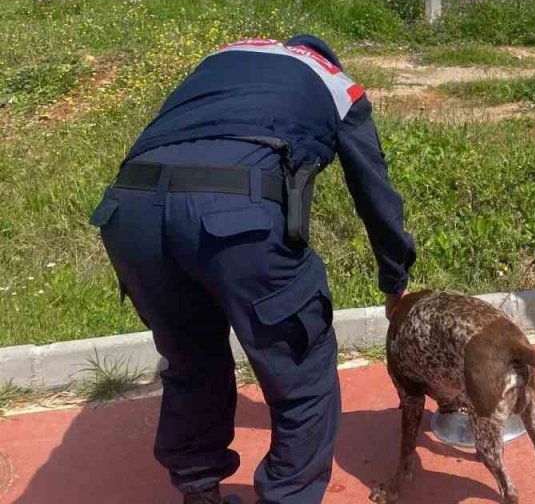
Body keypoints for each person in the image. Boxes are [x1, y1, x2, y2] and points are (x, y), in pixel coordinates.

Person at [90, 35, 416, 504]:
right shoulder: (336, 83)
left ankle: (199, 492)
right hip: (234, 216)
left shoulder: (219, 58)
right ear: (326, 59)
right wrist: (394, 279)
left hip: (130, 213)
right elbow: (374, 192)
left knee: (192, 360)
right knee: (302, 372)